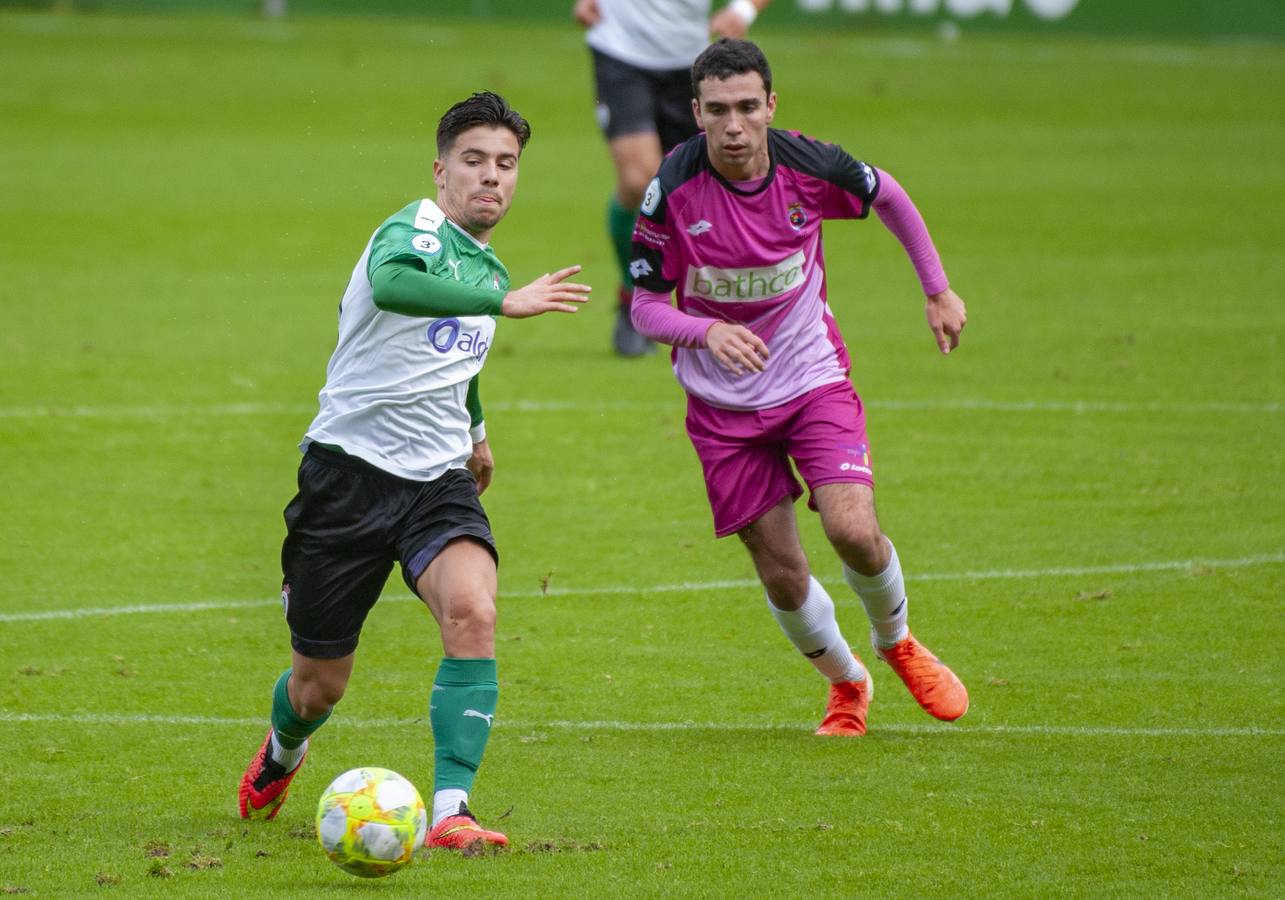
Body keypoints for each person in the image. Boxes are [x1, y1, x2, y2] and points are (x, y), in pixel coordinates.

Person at [237, 91, 591, 849]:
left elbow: (456, 359)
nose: (490, 177)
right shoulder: (412, 232)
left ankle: (450, 810)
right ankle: (282, 750)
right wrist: (504, 299)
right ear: (440, 170)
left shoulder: (482, 263)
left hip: (436, 482)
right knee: (317, 686)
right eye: (474, 161)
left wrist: (477, 431)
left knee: (474, 612)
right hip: (345, 480)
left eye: (505, 164)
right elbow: (399, 288)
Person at [629, 39, 969, 736]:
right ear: (695, 113)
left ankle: (896, 640)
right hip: (721, 407)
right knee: (781, 572)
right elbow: (642, 306)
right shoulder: (672, 190)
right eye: (717, 110)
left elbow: (889, 195)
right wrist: (703, 330)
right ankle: (847, 682)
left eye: (747, 107)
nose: (733, 125)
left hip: (812, 379)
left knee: (852, 530)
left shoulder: (809, 165)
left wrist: (936, 289)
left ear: (769, 107)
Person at [573, 0, 771, 357]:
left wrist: (743, 10)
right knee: (639, 181)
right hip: (620, 50)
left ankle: (713, 308)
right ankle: (634, 291)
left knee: (694, 186)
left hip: (693, 62)